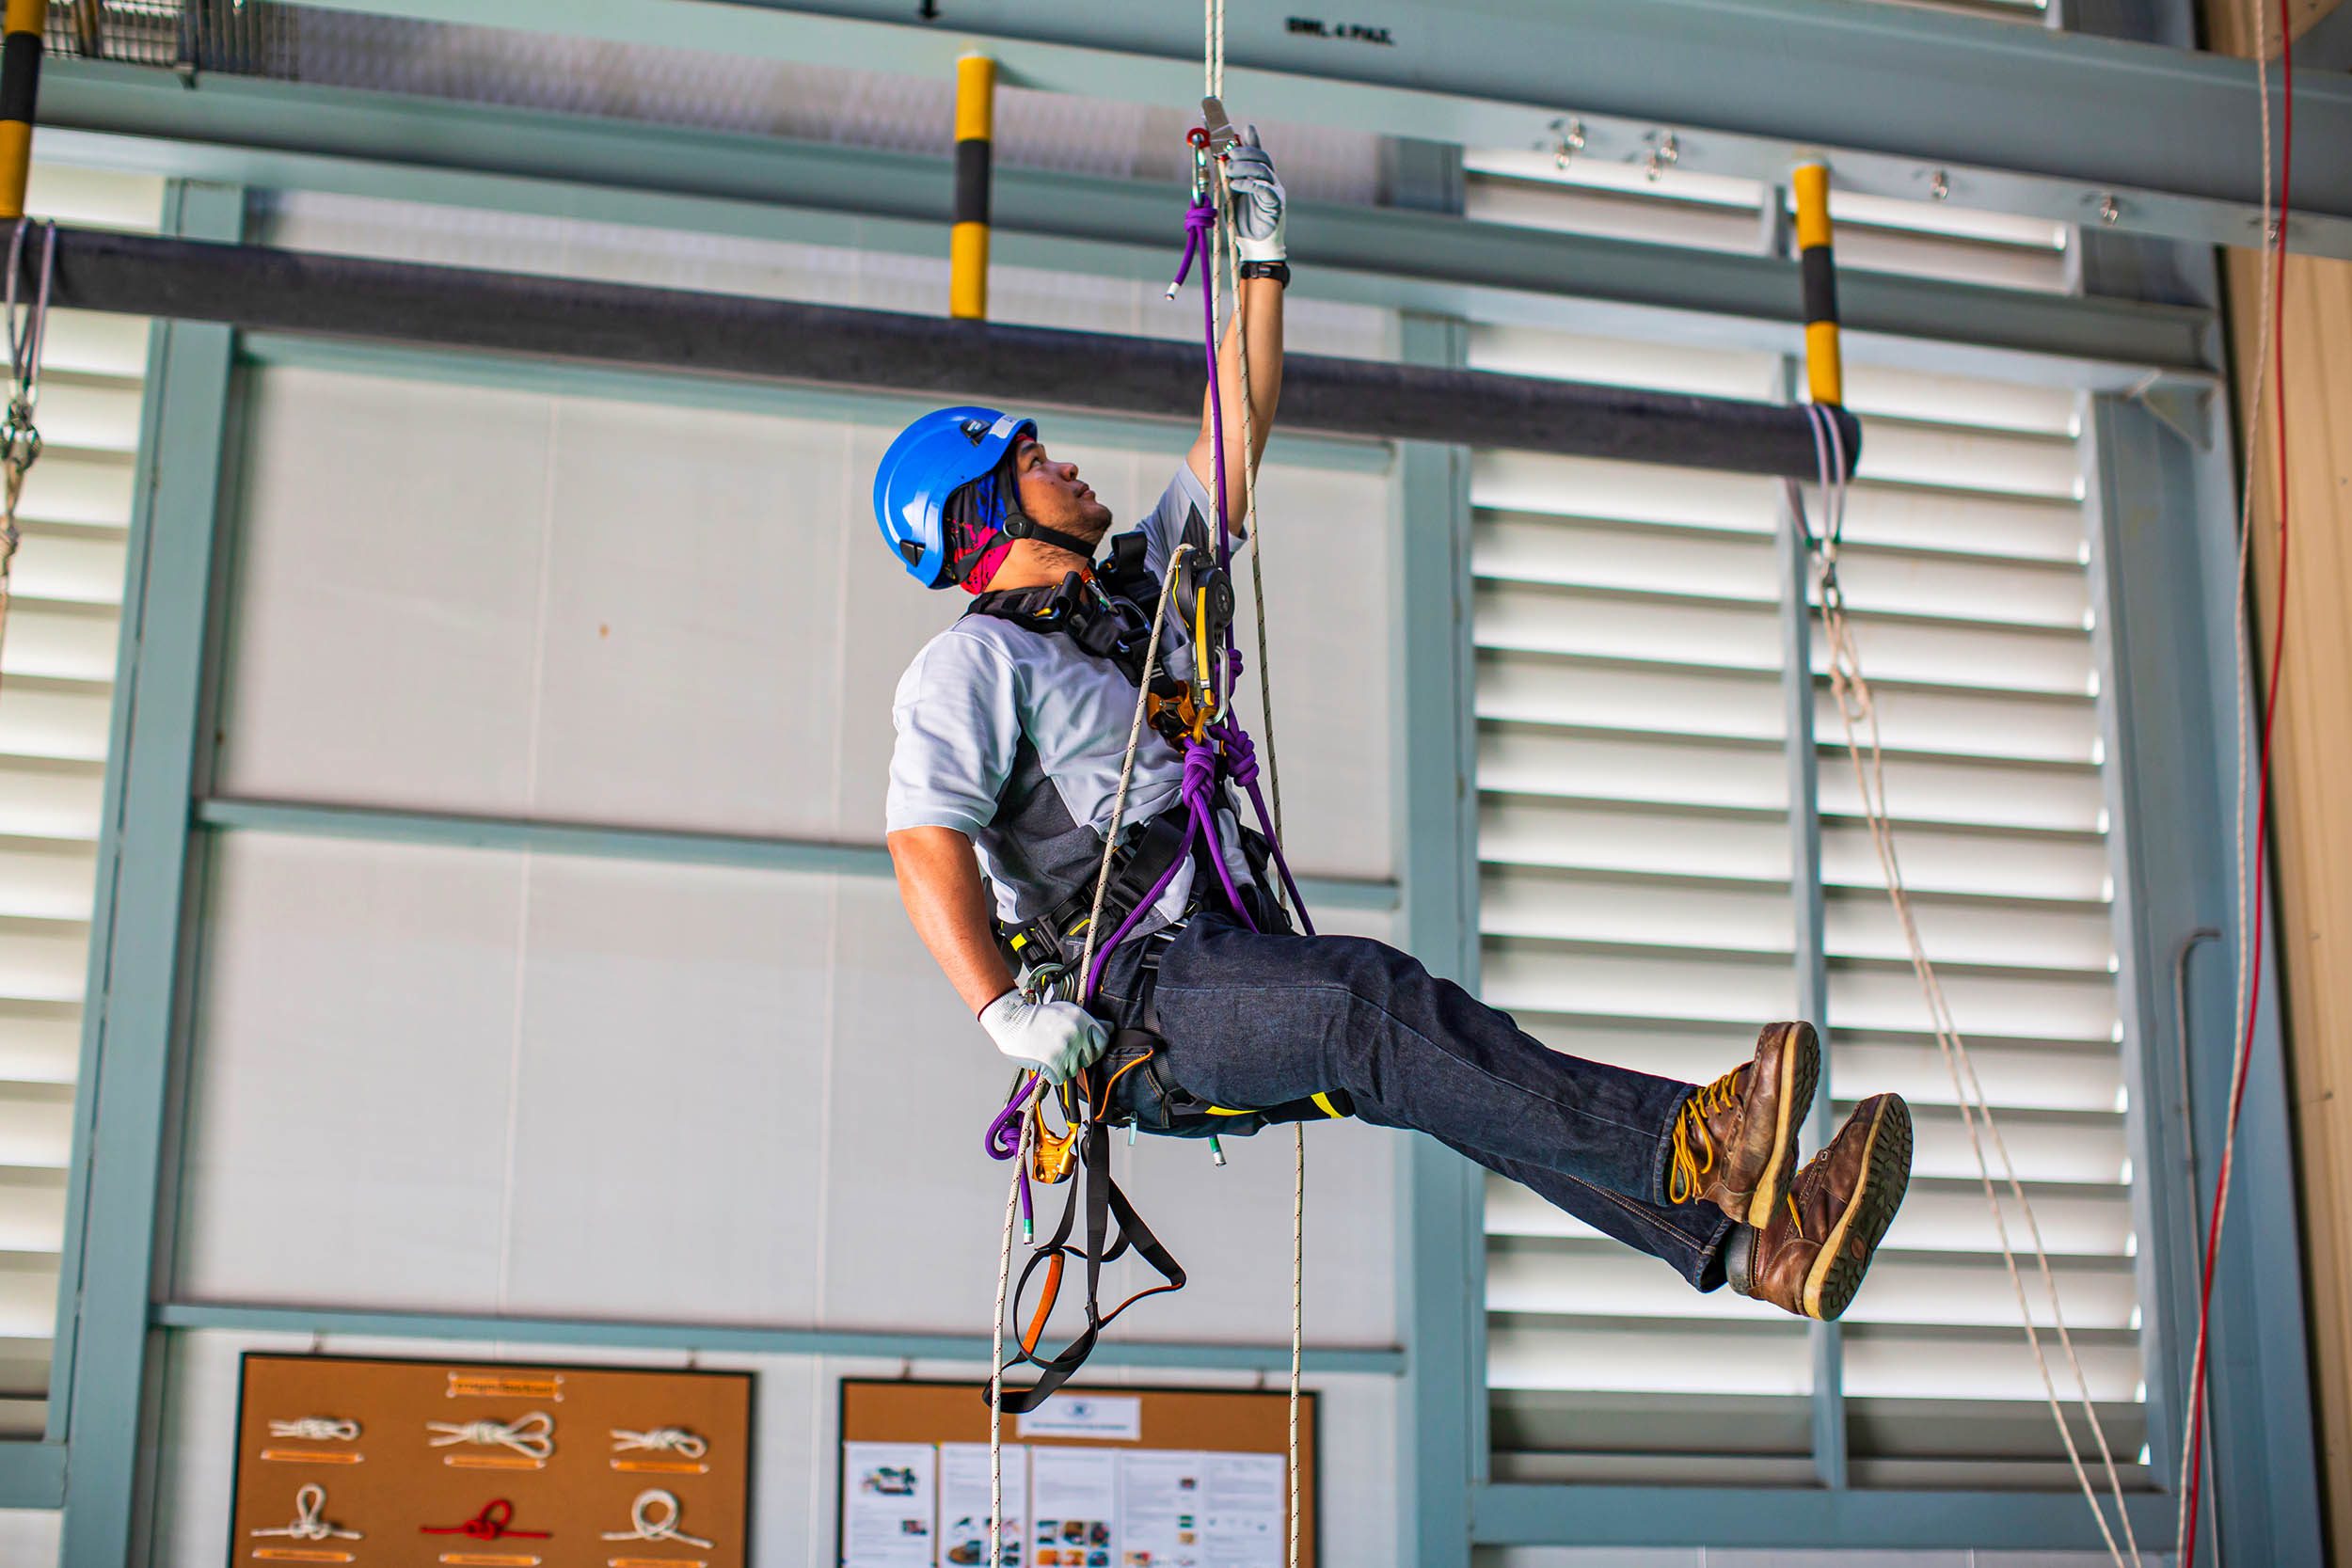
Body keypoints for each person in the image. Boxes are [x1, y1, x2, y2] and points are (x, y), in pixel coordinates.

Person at [876, 127, 1911, 1321]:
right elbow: (922, 840)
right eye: (1038, 462)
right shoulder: (971, 663)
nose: (1070, 467)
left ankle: (1752, 1251)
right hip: (1140, 1005)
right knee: (1377, 1007)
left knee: (1434, 1058)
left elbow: (1234, 425)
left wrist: (1262, 263)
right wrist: (1006, 1008)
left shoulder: (1133, 598)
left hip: (1218, 957)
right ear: (984, 513)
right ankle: (1687, 1139)